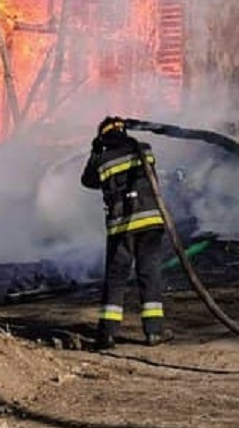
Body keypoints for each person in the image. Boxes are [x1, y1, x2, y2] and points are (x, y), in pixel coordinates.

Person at [80, 115, 171, 349]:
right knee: (149, 275)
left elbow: (88, 181)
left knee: (116, 278)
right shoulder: (145, 149)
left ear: (103, 137)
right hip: (151, 222)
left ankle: (108, 334)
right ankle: (154, 332)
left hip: (122, 227)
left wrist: (95, 151)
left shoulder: (102, 160)